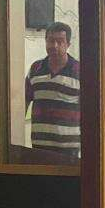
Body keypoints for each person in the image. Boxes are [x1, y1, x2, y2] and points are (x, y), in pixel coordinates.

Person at [25, 21, 80, 158]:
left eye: (60, 41)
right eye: (50, 41)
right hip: (39, 145)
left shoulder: (79, 70)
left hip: (69, 147)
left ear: (68, 44)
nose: (54, 45)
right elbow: (24, 102)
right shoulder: (35, 69)